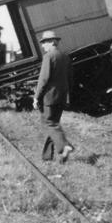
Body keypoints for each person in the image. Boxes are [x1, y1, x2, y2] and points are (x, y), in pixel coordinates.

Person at [33, 31, 75, 163]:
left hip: (49, 98)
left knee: (49, 124)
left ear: (52, 42)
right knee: (53, 125)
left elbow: (43, 79)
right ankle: (47, 157)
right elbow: (70, 78)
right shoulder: (65, 56)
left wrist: (36, 97)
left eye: (45, 42)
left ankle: (64, 146)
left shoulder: (49, 56)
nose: (43, 45)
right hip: (61, 97)